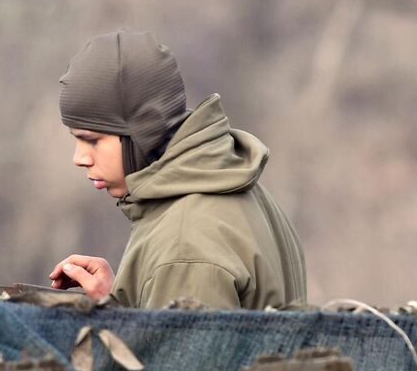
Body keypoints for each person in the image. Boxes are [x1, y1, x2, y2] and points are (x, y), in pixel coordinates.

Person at [48, 30, 306, 309]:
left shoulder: (184, 246)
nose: (80, 158)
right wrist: (117, 307)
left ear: (141, 131)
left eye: (92, 140)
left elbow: (180, 354)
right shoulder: (237, 185)